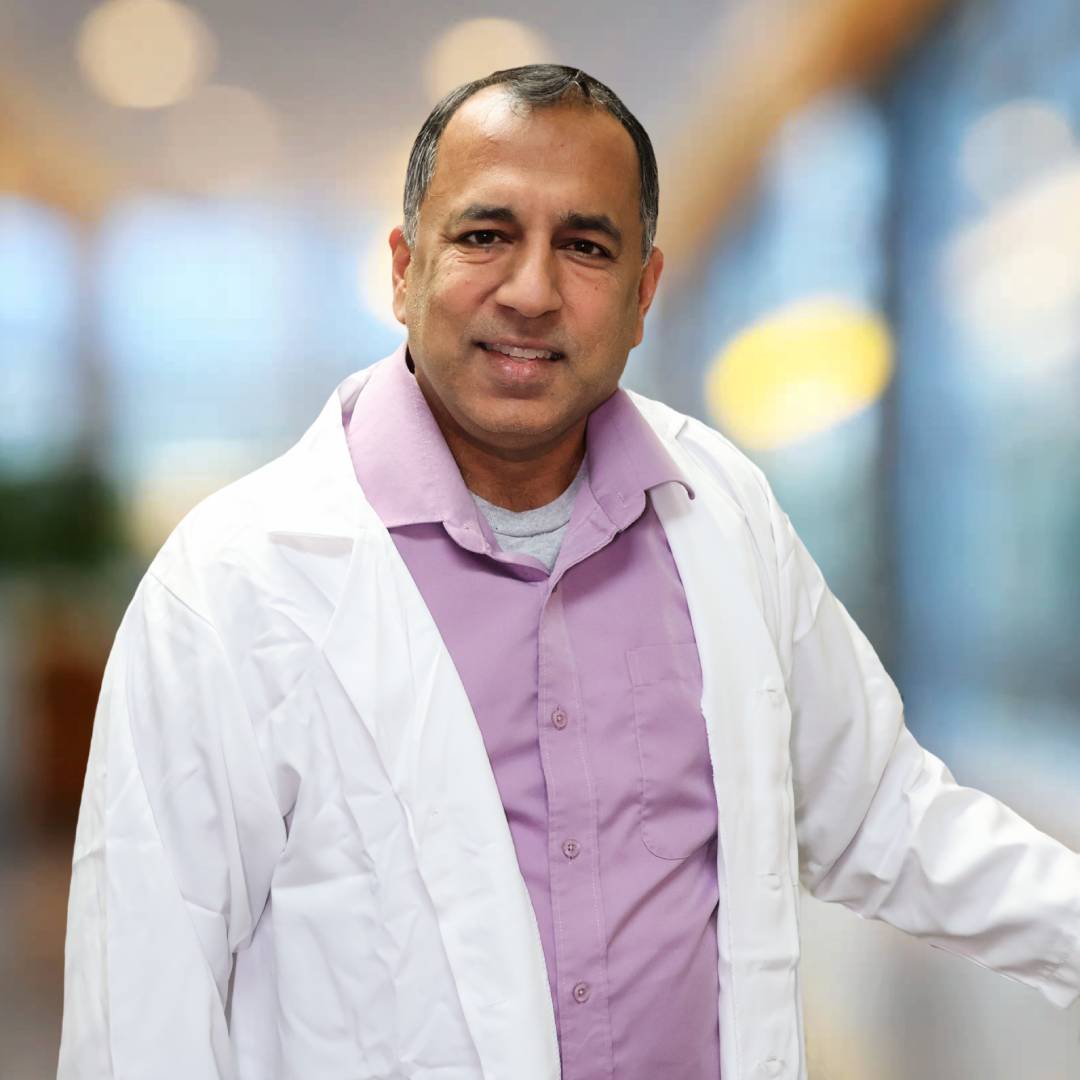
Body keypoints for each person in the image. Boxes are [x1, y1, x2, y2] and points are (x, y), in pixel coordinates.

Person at [58, 64, 1079, 1080]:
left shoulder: (722, 513)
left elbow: (883, 813)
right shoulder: (235, 584)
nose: (533, 291)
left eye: (585, 247)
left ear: (642, 295)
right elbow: (143, 995)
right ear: (404, 268)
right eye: (485, 235)